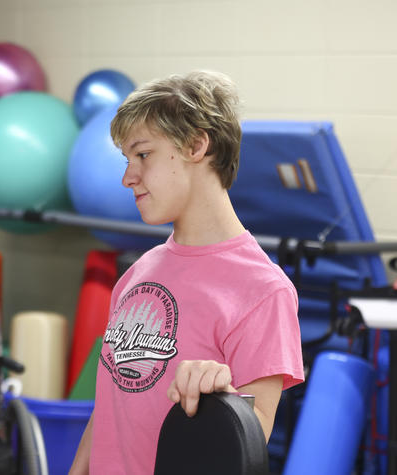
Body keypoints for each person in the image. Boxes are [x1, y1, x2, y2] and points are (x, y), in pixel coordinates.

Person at [69, 70, 304, 474]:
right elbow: (107, 408)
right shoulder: (137, 273)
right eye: (127, 160)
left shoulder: (264, 290)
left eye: (143, 155)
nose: (128, 177)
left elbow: (249, 442)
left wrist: (221, 395)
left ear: (197, 145)